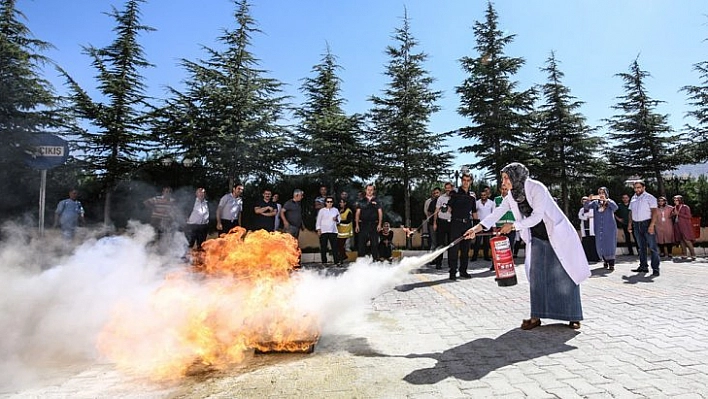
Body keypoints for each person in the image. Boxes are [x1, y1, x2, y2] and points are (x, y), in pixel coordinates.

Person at [465, 163, 590, 330]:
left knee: (565, 276)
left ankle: (573, 316)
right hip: (537, 238)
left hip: (557, 237)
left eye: (506, 178)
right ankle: (536, 316)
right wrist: (476, 228)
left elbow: (537, 216)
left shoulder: (536, 188)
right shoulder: (512, 195)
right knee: (536, 277)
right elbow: (498, 212)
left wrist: (514, 226)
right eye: (503, 178)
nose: (504, 182)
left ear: (516, 176)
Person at [446, 173, 476, 280]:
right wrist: (446, 209)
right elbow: (449, 208)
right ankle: (452, 272)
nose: (466, 182)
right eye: (464, 180)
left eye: (468, 180)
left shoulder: (472, 196)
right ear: (461, 180)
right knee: (454, 249)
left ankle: (463, 271)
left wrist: (476, 228)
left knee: (465, 249)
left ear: (471, 181)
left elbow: (474, 212)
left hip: (467, 224)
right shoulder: (455, 193)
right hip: (456, 224)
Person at [627, 180, 661, 276]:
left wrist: (652, 225)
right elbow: (630, 212)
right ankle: (643, 266)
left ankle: (655, 268)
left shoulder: (650, 198)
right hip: (636, 225)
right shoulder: (633, 198)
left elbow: (655, 212)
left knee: (652, 247)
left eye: (639, 187)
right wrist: (630, 224)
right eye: (635, 187)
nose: (637, 189)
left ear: (644, 187)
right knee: (641, 247)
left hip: (647, 223)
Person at [584, 187, 618, 270]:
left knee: (610, 244)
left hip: (609, 227)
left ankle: (611, 263)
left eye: (603, 192)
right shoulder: (595, 203)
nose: (601, 194)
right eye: (599, 192)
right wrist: (588, 199)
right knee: (601, 243)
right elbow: (586, 207)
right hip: (599, 227)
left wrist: (606, 200)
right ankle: (605, 260)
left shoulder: (609, 201)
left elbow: (615, 207)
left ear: (606, 193)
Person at [355, 183, 383, 259]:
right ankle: (360, 262)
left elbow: (380, 212)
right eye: (368, 190)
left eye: (371, 190)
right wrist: (357, 225)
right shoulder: (361, 201)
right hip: (363, 224)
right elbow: (357, 213)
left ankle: (375, 261)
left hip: (374, 224)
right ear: (365, 190)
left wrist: (380, 224)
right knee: (361, 244)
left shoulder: (377, 200)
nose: (370, 191)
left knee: (374, 244)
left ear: (374, 191)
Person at [432, 182, 453, 270]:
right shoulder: (441, 198)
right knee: (439, 243)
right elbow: (436, 210)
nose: (448, 189)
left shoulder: (455, 198)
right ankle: (438, 263)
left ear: (452, 188)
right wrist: (434, 222)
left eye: (449, 188)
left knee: (451, 244)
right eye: (446, 188)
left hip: (452, 223)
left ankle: (451, 263)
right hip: (441, 222)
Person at [494, 184, 517, 262]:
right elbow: (493, 214)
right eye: (502, 189)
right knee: (498, 247)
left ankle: (509, 264)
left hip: (511, 228)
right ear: (500, 189)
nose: (504, 191)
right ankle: (495, 265)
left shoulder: (513, 200)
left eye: (505, 189)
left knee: (510, 247)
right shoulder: (496, 200)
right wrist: (494, 227)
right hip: (499, 228)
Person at [472, 187, 495, 269]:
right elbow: (473, 211)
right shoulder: (477, 203)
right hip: (480, 224)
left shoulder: (491, 203)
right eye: (482, 195)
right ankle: (474, 256)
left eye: (484, 195)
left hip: (488, 224)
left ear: (487, 195)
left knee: (486, 241)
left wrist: (493, 225)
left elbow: (493, 214)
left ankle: (486, 256)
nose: (483, 196)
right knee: (477, 241)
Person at [316, 196, 341, 265]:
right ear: (325, 202)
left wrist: (336, 219)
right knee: (323, 247)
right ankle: (324, 262)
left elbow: (339, 220)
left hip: (333, 231)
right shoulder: (322, 210)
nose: (329, 203)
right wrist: (318, 229)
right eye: (328, 202)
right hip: (324, 231)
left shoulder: (335, 210)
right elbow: (318, 220)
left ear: (333, 203)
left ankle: (336, 261)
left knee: (335, 247)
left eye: (331, 202)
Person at [672, 195, 696, 261]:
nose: (675, 201)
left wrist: (678, 214)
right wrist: (673, 214)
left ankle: (693, 255)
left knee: (687, 240)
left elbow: (689, 216)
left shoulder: (685, 207)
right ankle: (684, 254)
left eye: (676, 200)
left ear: (680, 200)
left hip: (685, 226)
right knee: (681, 240)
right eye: (674, 200)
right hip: (677, 225)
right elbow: (674, 215)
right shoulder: (674, 207)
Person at [578, 196, 600, 263]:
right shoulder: (581, 209)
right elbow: (580, 216)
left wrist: (585, 216)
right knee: (586, 243)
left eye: (586, 201)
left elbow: (592, 215)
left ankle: (594, 258)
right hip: (585, 228)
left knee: (593, 242)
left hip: (592, 228)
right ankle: (587, 258)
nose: (585, 202)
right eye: (583, 201)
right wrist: (586, 217)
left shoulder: (593, 208)